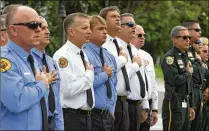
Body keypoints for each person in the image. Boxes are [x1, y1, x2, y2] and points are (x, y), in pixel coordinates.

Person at [1, 5, 51, 130]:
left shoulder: (31, 59)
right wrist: (42, 85)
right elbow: (16, 101)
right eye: (33, 25)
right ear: (13, 30)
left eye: (39, 25)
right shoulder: (4, 60)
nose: (39, 29)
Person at [53, 13, 94, 131]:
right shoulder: (63, 56)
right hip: (73, 118)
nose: (89, 31)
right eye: (84, 28)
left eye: (89, 28)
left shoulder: (82, 53)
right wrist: (89, 75)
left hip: (87, 117)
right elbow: (68, 89)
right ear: (71, 32)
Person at [99, 6, 131, 131]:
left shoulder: (119, 43)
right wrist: (122, 60)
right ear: (103, 21)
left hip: (124, 101)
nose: (118, 19)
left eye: (118, 17)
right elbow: (108, 69)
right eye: (113, 17)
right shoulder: (102, 43)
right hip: (111, 101)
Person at [83, 15, 117, 131]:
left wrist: (112, 109)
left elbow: (113, 85)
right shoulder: (84, 54)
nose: (105, 32)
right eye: (100, 29)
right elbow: (86, 84)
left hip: (108, 115)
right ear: (89, 32)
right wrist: (104, 75)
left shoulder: (109, 56)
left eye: (105, 29)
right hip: (93, 114)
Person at [116, 13, 149, 131]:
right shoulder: (116, 47)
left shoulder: (134, 50)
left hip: (136, 105)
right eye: (130, 24)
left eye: (134, 24)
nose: (134, 27)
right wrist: (135, 65)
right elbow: (120, 76)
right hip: (124, 102)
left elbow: (142, 79)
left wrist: (145, 105)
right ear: (119, 27)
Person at [31, 16, 64, 130]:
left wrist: (59, 127)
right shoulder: (26, 60)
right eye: (43, 28)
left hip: (51, 123)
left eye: (47, 28)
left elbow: (57, 98)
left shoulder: (51, 62)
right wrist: (44, 82)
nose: (48, 32)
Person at [161, 26, 195, 131]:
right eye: (184, 37)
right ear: (174, 39)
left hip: (186, 101)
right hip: (174, 103)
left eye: (189, 37)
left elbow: (189, 83)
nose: (188, 40)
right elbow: (175, 80)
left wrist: (191, 105)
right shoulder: (170, 57)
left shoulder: (186, 57)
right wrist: (187, 73)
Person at [131, 25, 159, 131]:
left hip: (148, 103)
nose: (142, 37)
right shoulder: (127, 54)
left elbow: (153, 83)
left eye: (144, 35)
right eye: (139, 35)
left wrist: (155, 108)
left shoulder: (147, 56)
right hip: (134, 103)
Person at [182, 20, 206, 131]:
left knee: (197, 125)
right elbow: (191, 71)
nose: (199, 32)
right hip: (188, 92)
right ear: (188, 30)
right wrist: (197, 59)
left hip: (197, 92)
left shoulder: (193, 49)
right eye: (197, 30)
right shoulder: (183, 50)